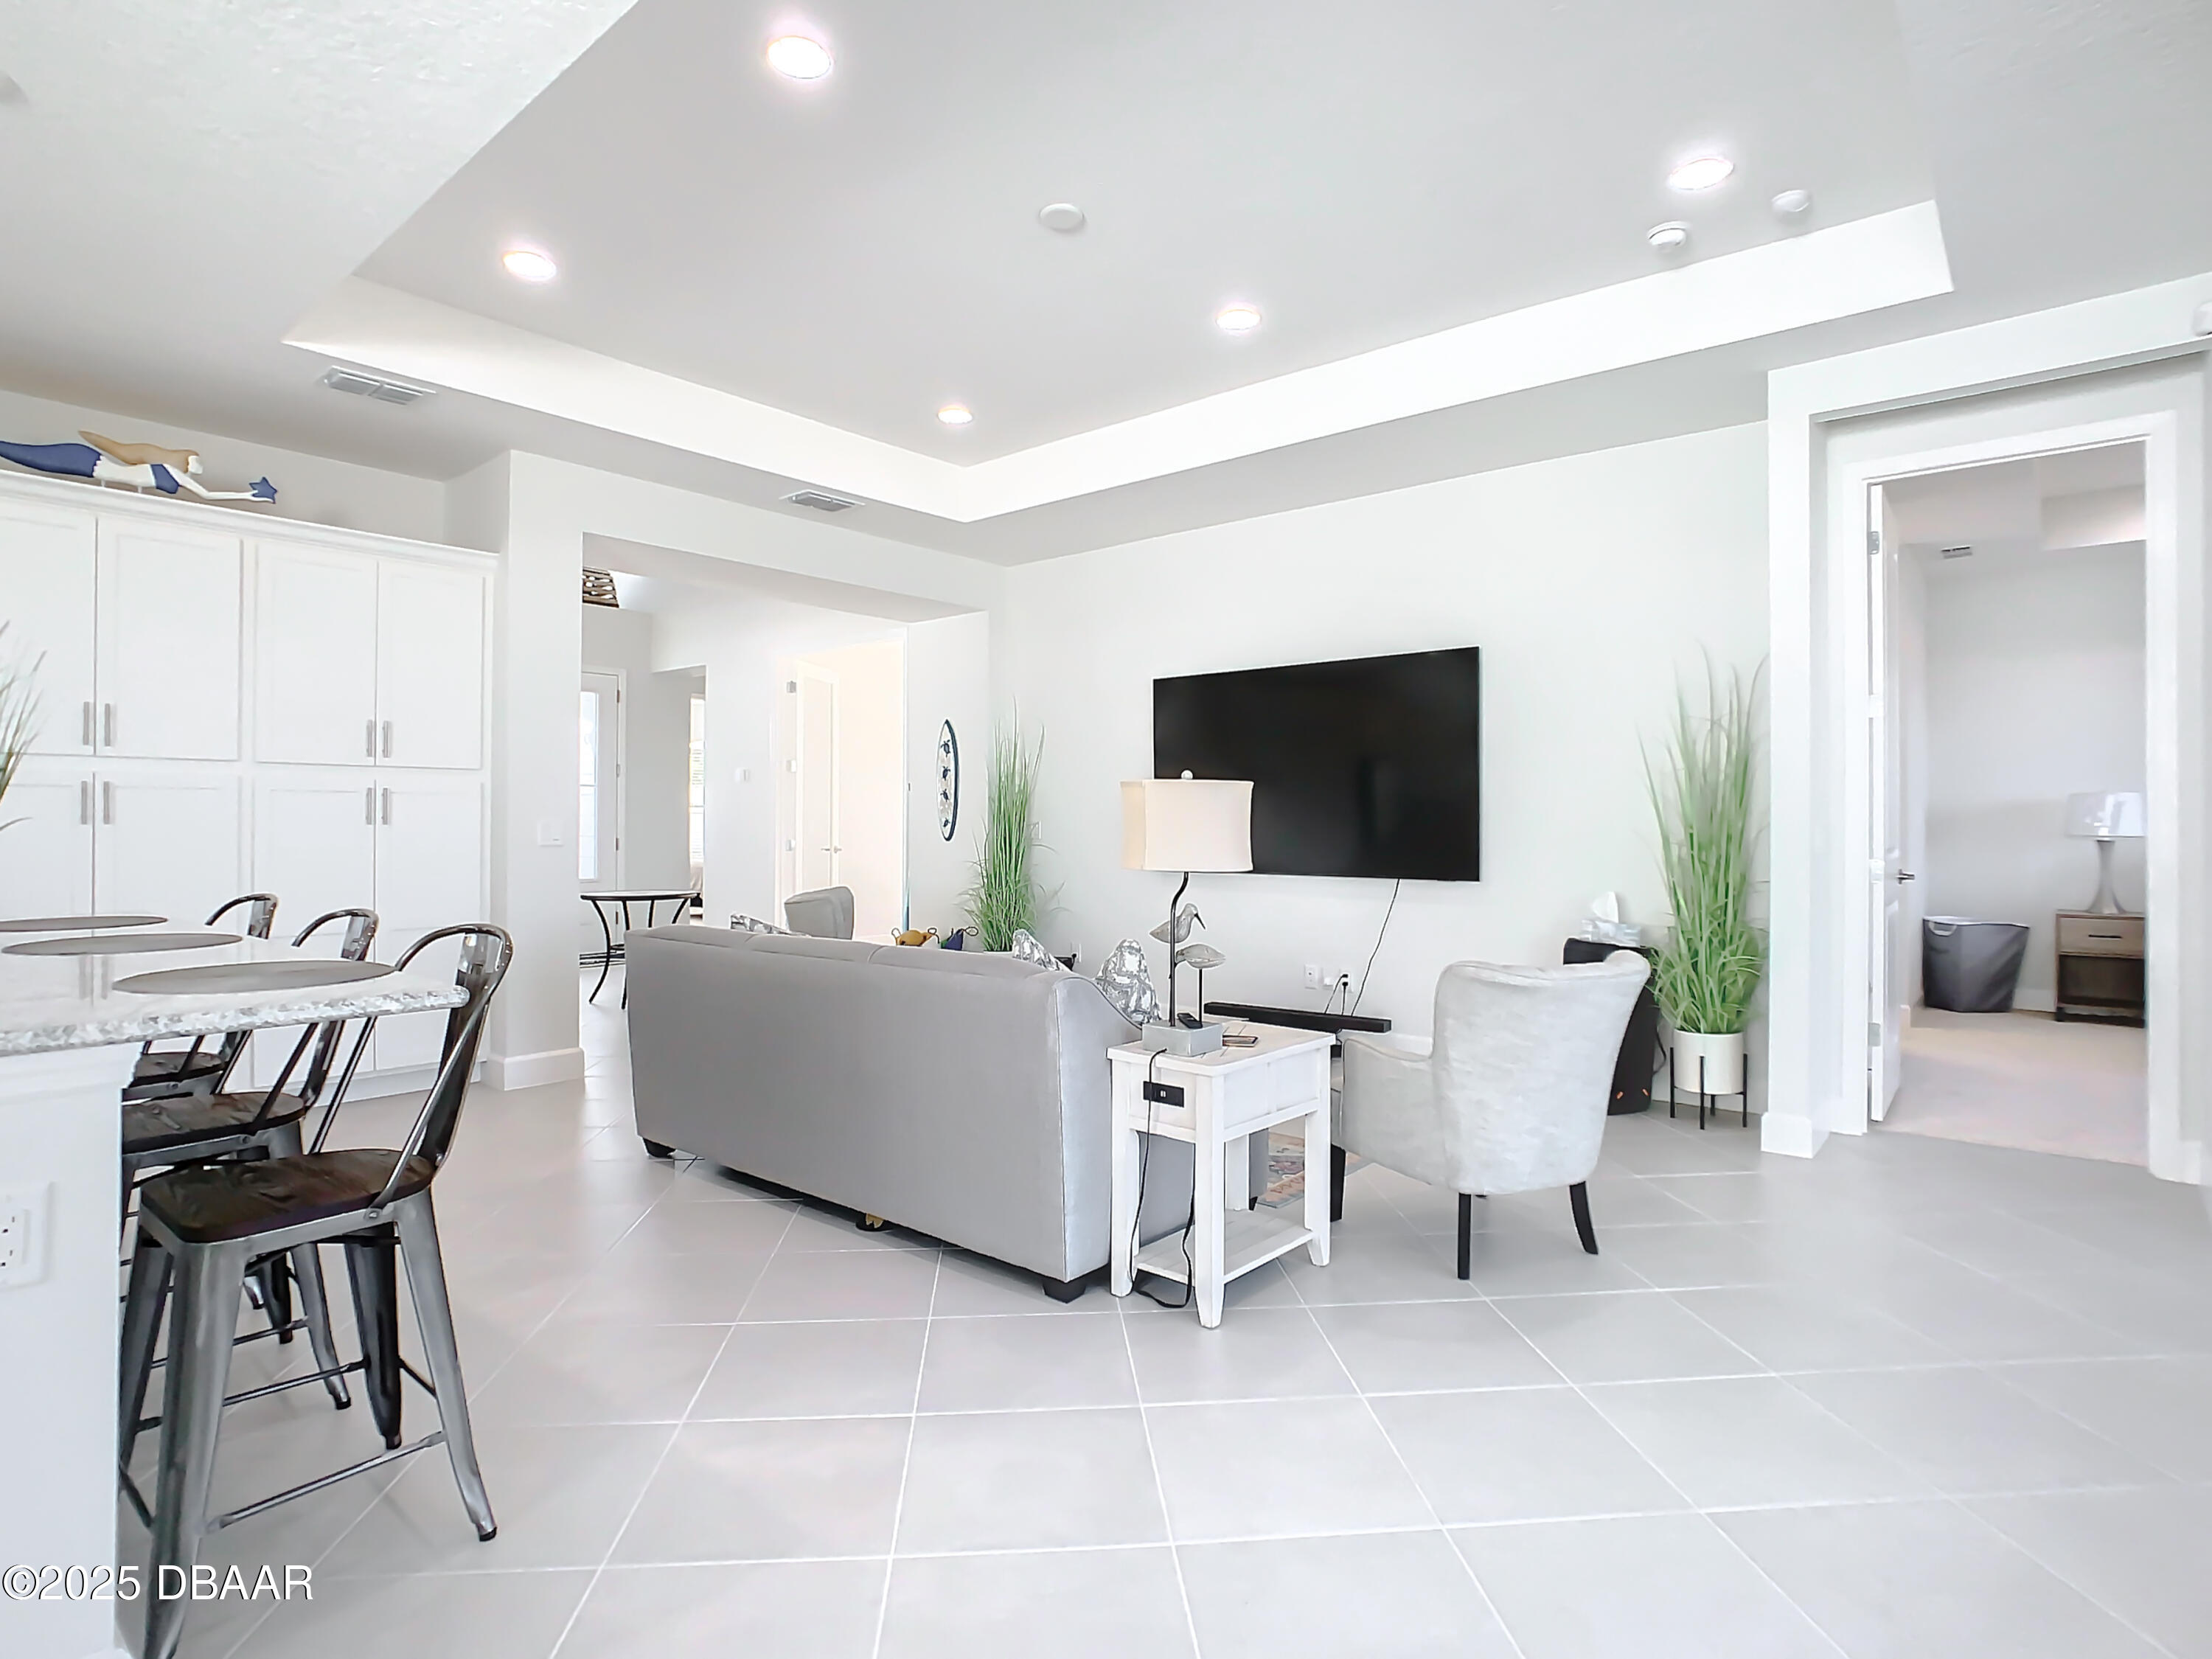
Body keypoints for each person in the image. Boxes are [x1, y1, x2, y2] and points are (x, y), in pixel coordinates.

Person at [0, 430, 275, 501]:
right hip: (90, 463)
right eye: (195, 460)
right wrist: (248, 495)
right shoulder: (170, 472)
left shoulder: (170, 473)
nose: (197, 466)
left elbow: (207, 495)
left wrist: (248, 495)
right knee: (30, 456)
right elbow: (208, 494)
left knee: (30, 456)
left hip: (95, 467)